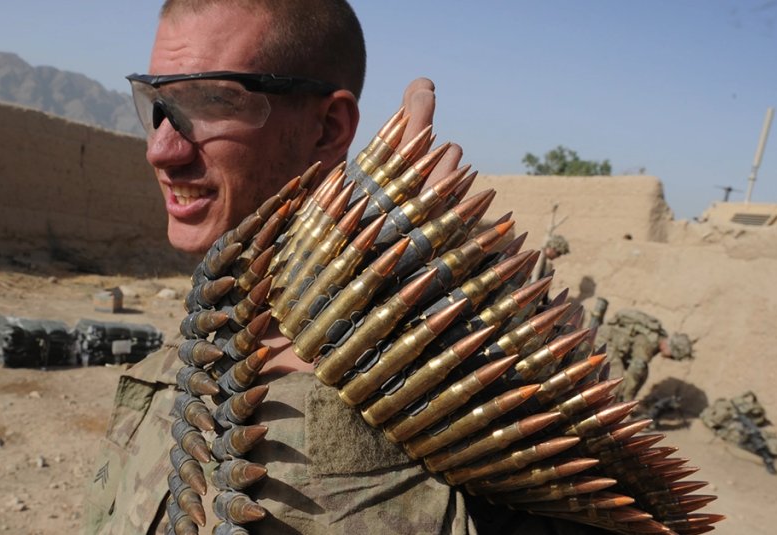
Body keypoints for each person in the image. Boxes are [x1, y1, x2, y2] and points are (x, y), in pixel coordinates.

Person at [83, 1, 482, 533]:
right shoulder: (187, 354)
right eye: (157, 106)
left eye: (211, 102)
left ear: (328, 128)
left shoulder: (435, 400)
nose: (162, 150)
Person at [593, 309, 693, 403]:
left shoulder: (656, 338)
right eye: (672, 356)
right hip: (605, 342)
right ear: (670, 348)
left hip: (614, 347)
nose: (670, 358)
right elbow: (634, 372)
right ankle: (603, 406)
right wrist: (627, 397)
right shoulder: (649, 344)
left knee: (643, 373)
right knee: (616, 377)